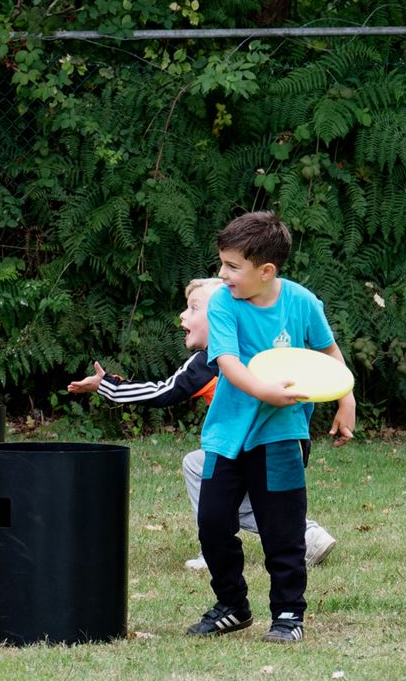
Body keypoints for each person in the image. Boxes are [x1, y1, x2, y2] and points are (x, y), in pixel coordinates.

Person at [67, 277, 339, 571]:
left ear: (220, 316)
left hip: (258, 448)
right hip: (288, 444)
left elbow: (163, 392)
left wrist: (108, 385)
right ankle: (306, 534)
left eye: (194, 308)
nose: (183, 315)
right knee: (227, 480)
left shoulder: (211, 359)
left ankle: (274, 540)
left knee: (204, 474)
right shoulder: (257, 345)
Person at [187, 211, 355, 643]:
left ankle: (288, 615)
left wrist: (346, 399)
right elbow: (228, 363)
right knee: (212, 523)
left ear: (266, 271)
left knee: (283, 530)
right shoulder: (224, 304)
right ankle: (232, 605)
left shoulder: (302, 302)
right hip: (227, 435)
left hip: (281, 437)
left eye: (232, 266)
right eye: (222, 263)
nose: (222, 274)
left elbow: (329, 353)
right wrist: (265, 391)